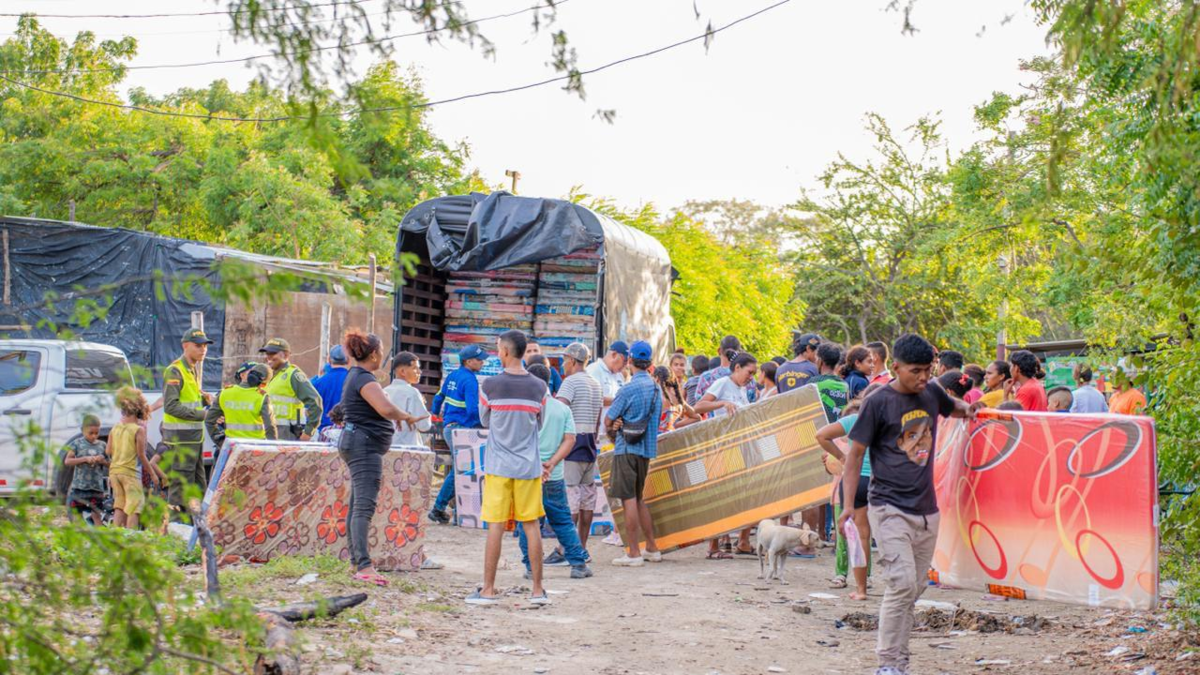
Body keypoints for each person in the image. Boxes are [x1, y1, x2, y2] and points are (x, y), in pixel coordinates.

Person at [837, 334, 974, 675]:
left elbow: (951, 407)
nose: (924, 377)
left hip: (927, 511)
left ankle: (898, 656)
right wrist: (847, 505)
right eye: (916, 371)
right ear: (896, 367)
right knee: (901, 584)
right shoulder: (878, 402)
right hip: (888, 507)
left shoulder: (931, 392)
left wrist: (968, 410)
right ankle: (889, 664)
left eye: (928, 370)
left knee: (913, 587)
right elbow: (854, 456)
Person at [467, 330, 553, 605]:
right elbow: (539, 424)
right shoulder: (540, 387)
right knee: (531, 525)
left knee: (495, 525)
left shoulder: (489, 385)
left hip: (498, 465)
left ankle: (488, 589)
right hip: (528, 466)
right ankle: (538, 591)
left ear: (504, 351)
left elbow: (484, 421)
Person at [338, 329, 427, 586]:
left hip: (359, 442)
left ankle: (357, 560)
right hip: (363, 446)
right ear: (375, 354)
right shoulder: (365, 378)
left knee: (357, 504)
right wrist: (406, 416)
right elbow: (386, 408)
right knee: (364, 506)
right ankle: (363, 565)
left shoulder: (357, 376)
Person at [519, 363, 593, 580]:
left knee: (529, 522)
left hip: (529, 473)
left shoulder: (526, 408)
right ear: (550, 380)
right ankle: (578, 564)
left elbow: (522, 440)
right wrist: (551, 463)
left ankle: (531, 567)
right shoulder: (562, 409)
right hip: (555, 474)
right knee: (562, 521)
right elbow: (570, 440)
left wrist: (538, 464)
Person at [815, 387, 880, 599]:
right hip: (883, 482)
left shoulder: (854, 420)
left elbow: (821, 435)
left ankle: (860, 589)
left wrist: (842, 457)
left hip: (855, 481)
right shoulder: (892, 422)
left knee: (860, 536)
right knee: (890, 535)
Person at [604, 340, 664, 567]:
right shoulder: (656, 389)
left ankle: (633, 553)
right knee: (639, 499)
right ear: (649, 362)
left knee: (628, 500)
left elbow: (608, 419)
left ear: (630, 360)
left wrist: (616, 424)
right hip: (646, 450)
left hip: (627, 448)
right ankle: (652, 547)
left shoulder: (627, 388)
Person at [695, 353, 759, 558]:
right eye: (749, 372)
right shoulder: (723, 383)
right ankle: (714, 546)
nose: (751, 377)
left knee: (744, 494)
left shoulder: (743, 389)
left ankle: (742, 541)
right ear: (737, 367)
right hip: (722, 447)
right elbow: (699, 406)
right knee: (720, 495)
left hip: (739, 447)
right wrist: (722, 404)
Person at [554, 342, 604, 560]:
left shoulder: (570, 383)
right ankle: (582, 547)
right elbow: (599, 417)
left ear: (572, 361)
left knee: (571, 496)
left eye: (565, 360)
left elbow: (559, 412)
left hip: (572, 444)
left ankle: (566, 549)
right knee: (587, 498)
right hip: (591, 443)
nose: (563, 364)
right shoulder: (596, 384)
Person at [428, 344, 486, 524]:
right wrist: (483, 426)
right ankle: (438, 507)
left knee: (459, 469)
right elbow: (472, 409)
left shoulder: (453, 375)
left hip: (449, 427)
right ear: (468, 361)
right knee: (461, 471)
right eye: (479, 359)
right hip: (462, 429)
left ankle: (446, 508)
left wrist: (436, 412)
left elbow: (438, 397)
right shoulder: (470, 380)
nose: (482, 362)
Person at [162, 328, 214, 518]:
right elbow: (171, 406)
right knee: (179, 488)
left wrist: (204, 401)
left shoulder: (191, 369)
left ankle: (196, 529)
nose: (203, 350)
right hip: (180, 441)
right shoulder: (175, 370)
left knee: (199, 485)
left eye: (205, 346)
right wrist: (202, 414)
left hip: (193, 439)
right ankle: (175, 529)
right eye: (198, 346)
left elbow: (187, 400)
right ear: (185, 346)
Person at [108, 387, 164, 530]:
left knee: (119, 505)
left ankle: (115, 537)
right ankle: (131, 538)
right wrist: (153, 474)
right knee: (135, 506)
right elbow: (141, 455)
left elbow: (108, 450)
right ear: (139, 407)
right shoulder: (138, 430)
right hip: (130, 473)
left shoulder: (115, 428)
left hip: (114, 472)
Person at [258, 338, 323, 441]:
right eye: (267, 353)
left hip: (288, 434)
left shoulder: (293, 375)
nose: (268, 357)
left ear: (285, 355)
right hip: (272, 435)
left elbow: (315, 402)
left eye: (272, 353)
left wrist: (308, 432)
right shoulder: (270, 376)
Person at [205, 364, 275, 450]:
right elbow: (270, 427)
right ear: (263, 384)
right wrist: (272, 450)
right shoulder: (262, 397)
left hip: (231, 447)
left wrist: (221, 441)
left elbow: (209, 421)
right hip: (255, 449)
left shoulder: (225, 393)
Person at [63, 415, 108, 525]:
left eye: (96, 433)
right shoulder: (77, 444)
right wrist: (84, 459)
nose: (94, 436)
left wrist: (102, 461)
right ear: (82, 430)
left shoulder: (103, 445)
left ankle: (99, 540)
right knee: (77, 517)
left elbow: (111, 464)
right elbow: (67, 461)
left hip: (96, 489)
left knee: (97, 516)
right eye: (90, 433)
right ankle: (80, 538)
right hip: (79, 488)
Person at [384, 351, 433, 446]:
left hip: (386, 445)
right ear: (402, 371)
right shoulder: (412, 393)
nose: (419, 371)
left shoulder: (384, 391)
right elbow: (424, 425)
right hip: (407, 448)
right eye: (415, 368)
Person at [696, 335, 756, 402]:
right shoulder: (749, 378)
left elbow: (699, 403)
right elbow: (752, 402)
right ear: (739, 353)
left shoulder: (706, 377)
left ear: (719, 350)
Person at [311, 345, 350, 430]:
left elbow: (310, 411)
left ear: (329, 360)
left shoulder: (318, 382)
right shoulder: (355, 381)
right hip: (347, 431)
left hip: (323, 432)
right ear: (348, 360)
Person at [810, 342, 850, 422]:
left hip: (819, 429)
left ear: (820, 361)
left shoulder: (814, 382)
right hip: (837, 429)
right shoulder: (844, 385)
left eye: (816, 358)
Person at [653, 366, 701, 431]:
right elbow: (697, 418)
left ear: (656, 378)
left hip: (656, 439)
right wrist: (674, 425)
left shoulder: (654, 398)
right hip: (673, 437)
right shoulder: (679, 400)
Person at [586, 341, 630, 406]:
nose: (626, 365)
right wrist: (619, 401)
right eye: (625, 361)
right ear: (614, 355)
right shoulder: (594, 370)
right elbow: (590, 398)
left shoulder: (619, 375)